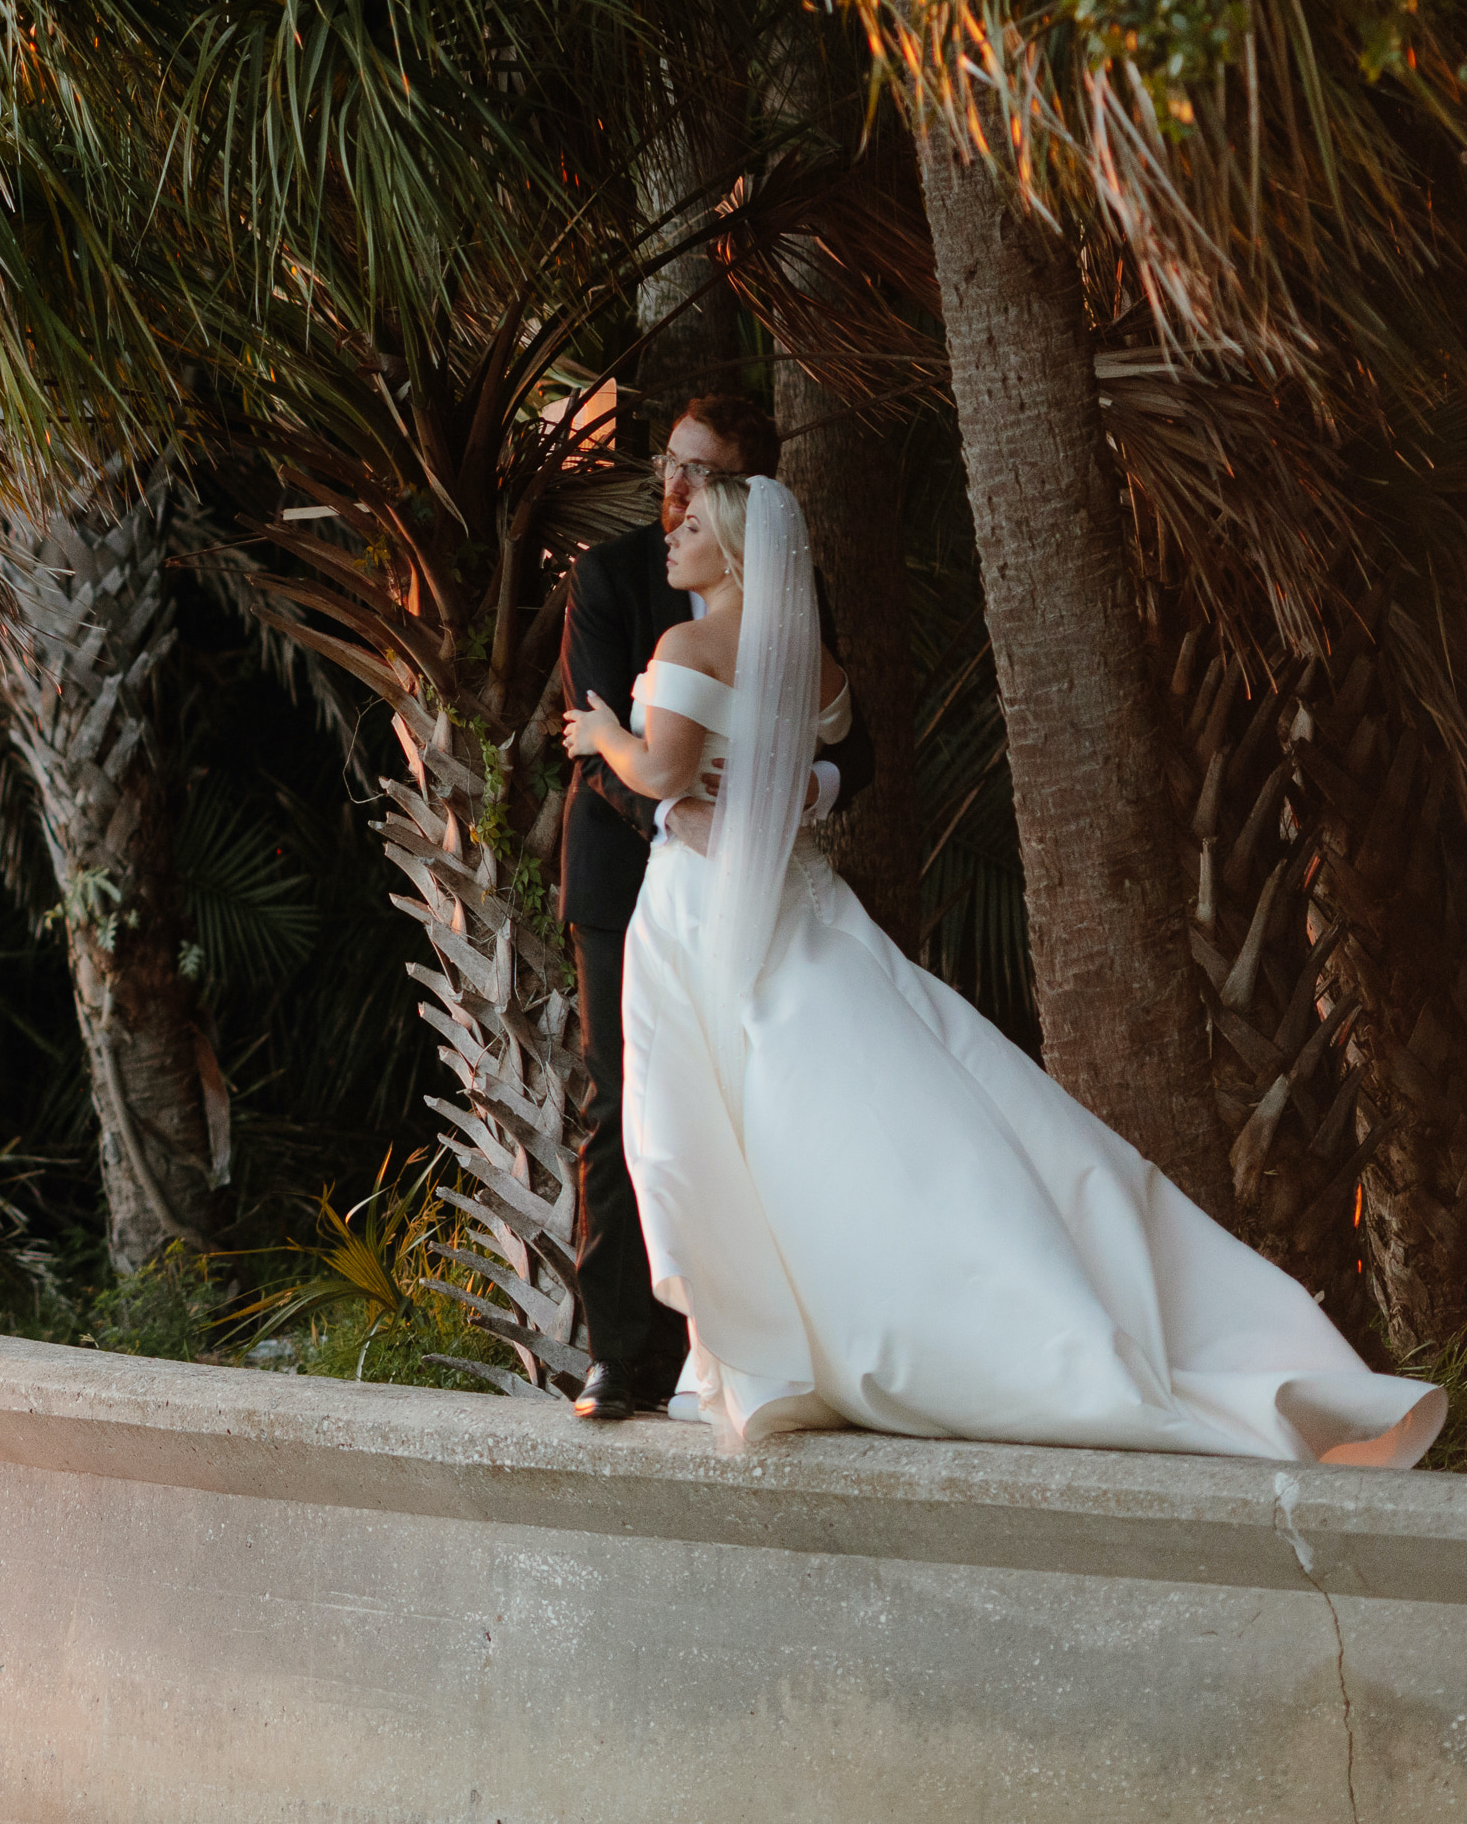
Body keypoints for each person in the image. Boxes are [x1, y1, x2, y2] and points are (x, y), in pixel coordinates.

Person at [559, 474, 1445, 1465]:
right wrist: (785, 796)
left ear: (730, 545)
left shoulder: (685, 646)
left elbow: (664, 772)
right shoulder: (806, 654)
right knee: (856, 1104)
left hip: (698, 906)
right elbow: (833, 748)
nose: (669, 534)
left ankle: (783, 1345)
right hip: (800, 902)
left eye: (689, 526)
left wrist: (602, 735)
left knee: (723, 1120)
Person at [555, 395, 872, 1423]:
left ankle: (770, 1333)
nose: (676, 491)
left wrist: (782, 801)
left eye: (703, 475)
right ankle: (623, 1356)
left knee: (750, 1095)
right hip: (632, 882)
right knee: (622, 1103)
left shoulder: (784, 587)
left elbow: (845, 749)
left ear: (745, 494)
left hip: (751, 881)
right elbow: (617, 734)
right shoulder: (610, 578)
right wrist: (682, 813)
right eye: (671, 466)